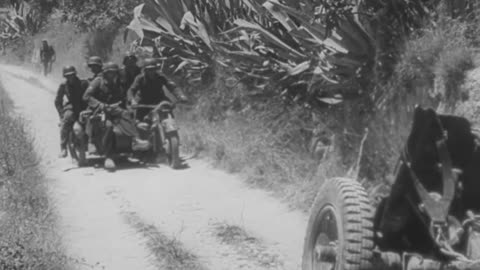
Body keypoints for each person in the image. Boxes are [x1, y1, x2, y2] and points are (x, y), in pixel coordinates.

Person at [83, 62, 150, 170]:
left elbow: (122, 98)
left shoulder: (117, 83)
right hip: (98, 110)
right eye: (109, 73)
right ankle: (108, 156)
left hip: (113, 108)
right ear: (105, 73)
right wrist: (100, 104)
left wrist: (128, 106)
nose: (112, 75)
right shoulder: (97, 82)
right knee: (108, 126)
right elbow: (86, 96)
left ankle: (135, 140)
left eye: (114, 73)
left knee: (127, 114)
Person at [54, 66, 89, 158]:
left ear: (75, 74)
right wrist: (61, 114)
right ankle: (63, 147)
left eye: (72, 75)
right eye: (68, 76)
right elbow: (58, 101)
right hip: (71, 108)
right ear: (65, 76)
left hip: (83, 107)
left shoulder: (83, 83)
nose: (70, 78)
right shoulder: (63, 85)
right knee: (66, 120)